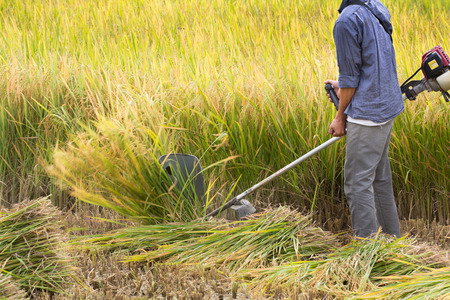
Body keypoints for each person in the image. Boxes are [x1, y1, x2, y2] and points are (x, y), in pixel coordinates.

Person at [325, 0, 403, 238]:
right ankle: (392, 242)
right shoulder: (375, 6)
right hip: (386, 108)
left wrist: (340, 117)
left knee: (357, 185)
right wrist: (345, 87)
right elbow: (374, 64)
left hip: (368, 116)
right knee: (379, 180)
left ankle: (368, 252)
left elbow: (350, 77)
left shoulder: (346, 20)